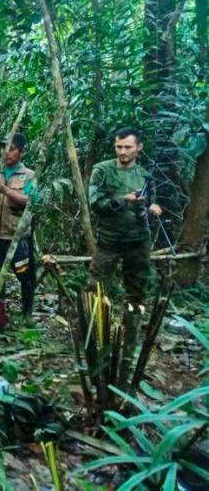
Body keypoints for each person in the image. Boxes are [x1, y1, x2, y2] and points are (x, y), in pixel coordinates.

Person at [86, 128, 162, 378]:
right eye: (119, 147)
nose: (122, 151)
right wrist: (123, 199)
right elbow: (96, 204)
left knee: (137, 294)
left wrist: (153, 207)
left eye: (128, 147)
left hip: (138, 241)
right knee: (96, 290)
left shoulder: (145, 175)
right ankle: (96, 343)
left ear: (139, 148)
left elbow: (150, 200)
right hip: (109, 241)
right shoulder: (103, 170)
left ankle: (129, 345)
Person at [0, 133, 38, 316]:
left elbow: (30, 200)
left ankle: (27, 312)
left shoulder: (29, 176)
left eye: (11, 149)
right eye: (3, 148)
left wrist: (4, 190)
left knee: (24, 275)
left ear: (22, 152)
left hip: (17, 235)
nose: (6, 152)